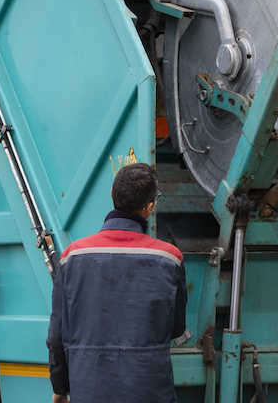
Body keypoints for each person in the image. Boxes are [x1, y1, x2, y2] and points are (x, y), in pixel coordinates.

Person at [47, 163, 187, 403]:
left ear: (112, 193)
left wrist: (60, 389)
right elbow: (176, 329)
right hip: (150, 392)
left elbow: (56, 337)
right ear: (150, 207)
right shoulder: (170, 258)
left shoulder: (72, 256)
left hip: (90, 391)